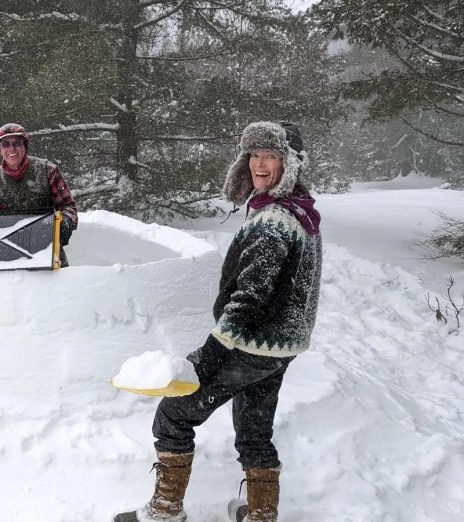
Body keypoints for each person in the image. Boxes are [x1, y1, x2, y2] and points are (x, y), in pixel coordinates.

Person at [114, 121, 322, 522]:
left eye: (271, 156)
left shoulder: (274, 221)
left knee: (174, 415)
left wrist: (209, 355)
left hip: (250, 346)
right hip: (280, 348)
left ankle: (165, 510)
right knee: (255, 430)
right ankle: (261, 514)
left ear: (290, 164)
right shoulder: (302, 211)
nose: (259, 164)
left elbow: (249, 299)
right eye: (254, 155)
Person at [0, 123, 78, 266]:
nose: (11, 148)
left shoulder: (48, 170)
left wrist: (64, 223)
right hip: (11, 258)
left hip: (50, 253)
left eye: (17, 143)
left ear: (25, 146)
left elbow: (68, 206)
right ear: (0, 150)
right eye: (5, 144)